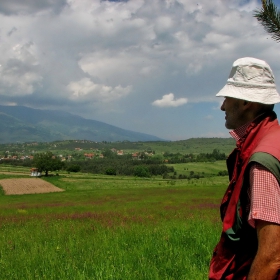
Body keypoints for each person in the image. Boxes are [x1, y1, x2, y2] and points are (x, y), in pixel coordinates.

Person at [209, 57, 280, 280]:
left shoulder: (262, 160)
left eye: (227, 99)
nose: (222, 106)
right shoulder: (271, 141)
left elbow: (272, 256)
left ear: (246, 102)